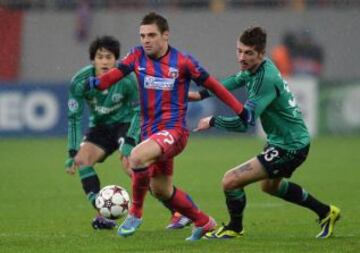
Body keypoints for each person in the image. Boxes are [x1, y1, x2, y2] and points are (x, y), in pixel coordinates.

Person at [87, 12, 246, 241]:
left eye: (151, 35)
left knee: (136, 157)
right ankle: (204, 221)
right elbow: (114, 75)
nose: (146, 40)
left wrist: (241, 110)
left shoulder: (183, 62)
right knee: (162, 190)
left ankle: (136, 213)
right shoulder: (136, 56)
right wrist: (95, 83)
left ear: (165, 35)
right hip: (151, 133)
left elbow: (216, 87)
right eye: (142, 35)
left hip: (174, 132)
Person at [192, 27, 340, 239]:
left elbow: (246, 124)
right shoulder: (254, 68)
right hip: (283, 141)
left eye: (248, 53)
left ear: (261, 54)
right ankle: (326, 212)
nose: (242, 58)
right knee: (270, 186)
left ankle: (235, 228)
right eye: (239, 51)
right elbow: (231, 82)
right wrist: (199, 95)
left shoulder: (265, 80)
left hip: (290, 146)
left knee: (230, 180)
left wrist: (214, 120)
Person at [65, 35, 191, 231]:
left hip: (126, 124)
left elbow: (138, 111)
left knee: (130, 165)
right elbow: (73, 118)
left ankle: (178, 212)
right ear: (93, 59)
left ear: (116, 60)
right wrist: (72, 152)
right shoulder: (80, 82)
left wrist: (131, 140)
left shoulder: (127, 80)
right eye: (100, 57)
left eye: (109, 57)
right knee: (82, 160)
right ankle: (102, 215)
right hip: (100, 127)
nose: (105, 61)